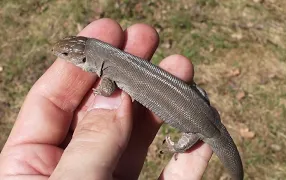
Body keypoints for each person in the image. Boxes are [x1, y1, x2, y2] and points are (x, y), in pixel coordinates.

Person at [0, 18, 213, 180]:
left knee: (200, 131)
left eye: (65, 54)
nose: (59, 54)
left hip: (199, 129)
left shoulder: (108, 74)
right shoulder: (114, 56)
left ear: (84, 58)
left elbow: (108, 90)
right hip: (200, 108)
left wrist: (99, 93)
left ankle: (180, 147)